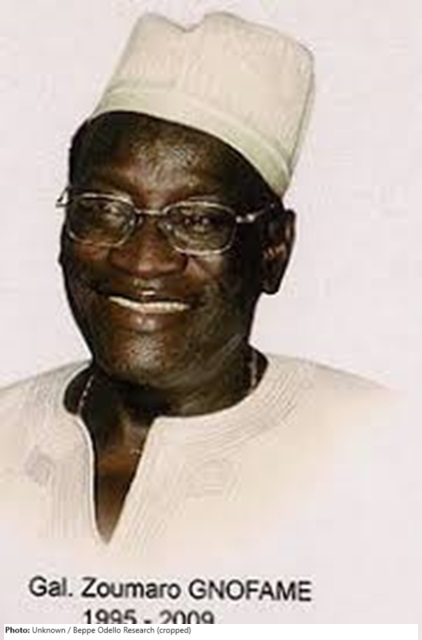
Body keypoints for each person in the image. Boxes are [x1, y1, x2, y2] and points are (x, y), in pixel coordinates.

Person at [0, 13, 396, 617]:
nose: (142, 260)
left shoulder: (381, 452)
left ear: (273, 250)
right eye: (104, 208)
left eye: (198, 220)